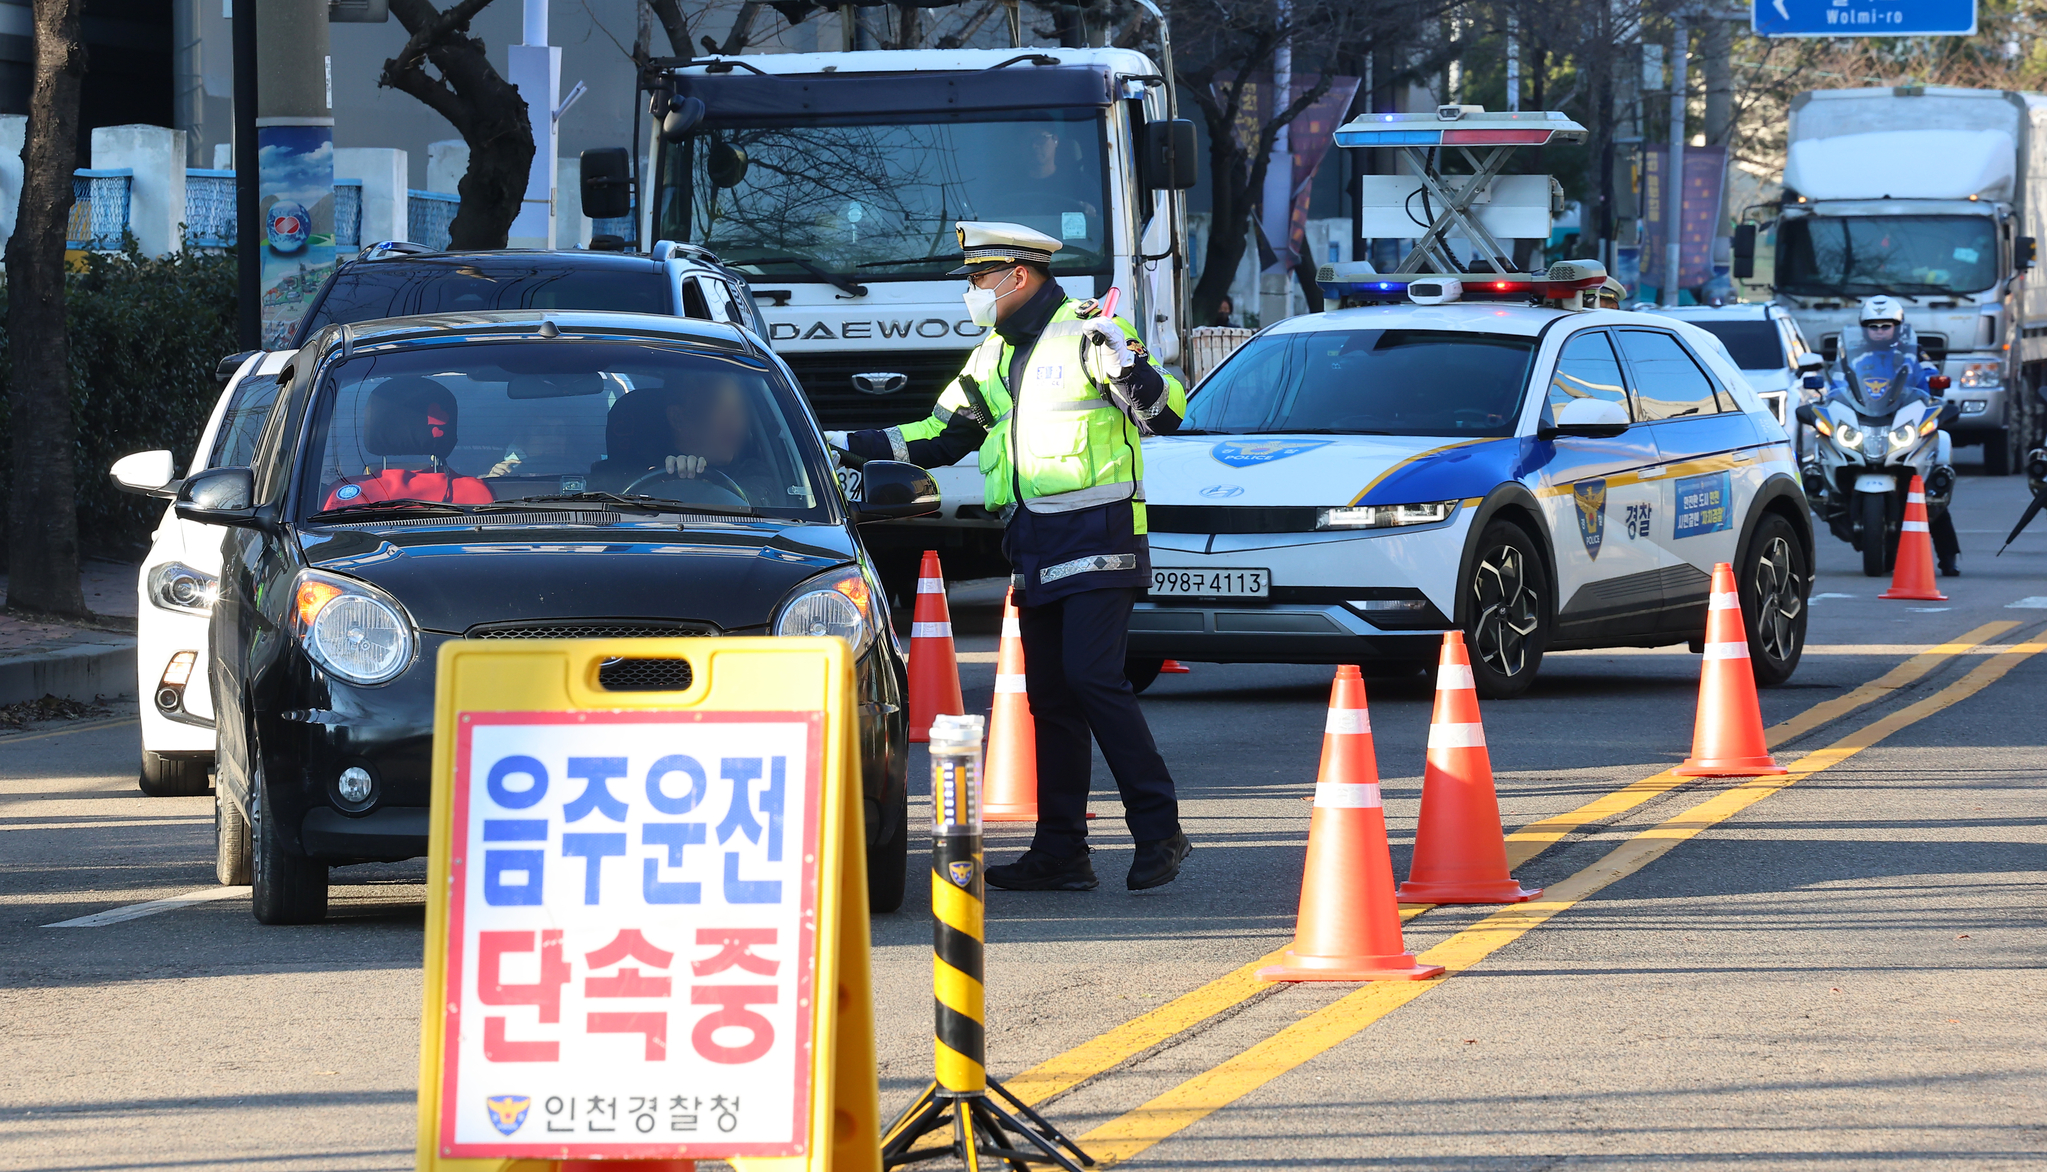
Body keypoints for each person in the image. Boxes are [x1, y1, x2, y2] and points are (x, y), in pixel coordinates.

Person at [828, 222, 1192, 892]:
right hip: (1033, 540)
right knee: (1051, 697)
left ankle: (1160, 829)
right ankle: (1061, 853)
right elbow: (938, 435)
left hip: (1099, 534)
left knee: (1091, 680)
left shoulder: (1091, 329)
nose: (972, 292)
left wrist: (1131, 369)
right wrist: (830, 442)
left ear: (1016, 276)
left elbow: (1166, 415)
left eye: (977, 279)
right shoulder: (994, 353)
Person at [1857, 296, 1962, 575]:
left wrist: (1933, 389)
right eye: (1873, 326)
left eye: (1886, 325)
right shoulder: (1857, 359)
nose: (1879, 331)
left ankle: (1948, 555)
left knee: (1926, 487)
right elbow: (1840, 385)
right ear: (1864, 329)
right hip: (1870, 425)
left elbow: (1929, 381)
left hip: (1903, 425)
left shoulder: (1914, 355)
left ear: (1898, 327)